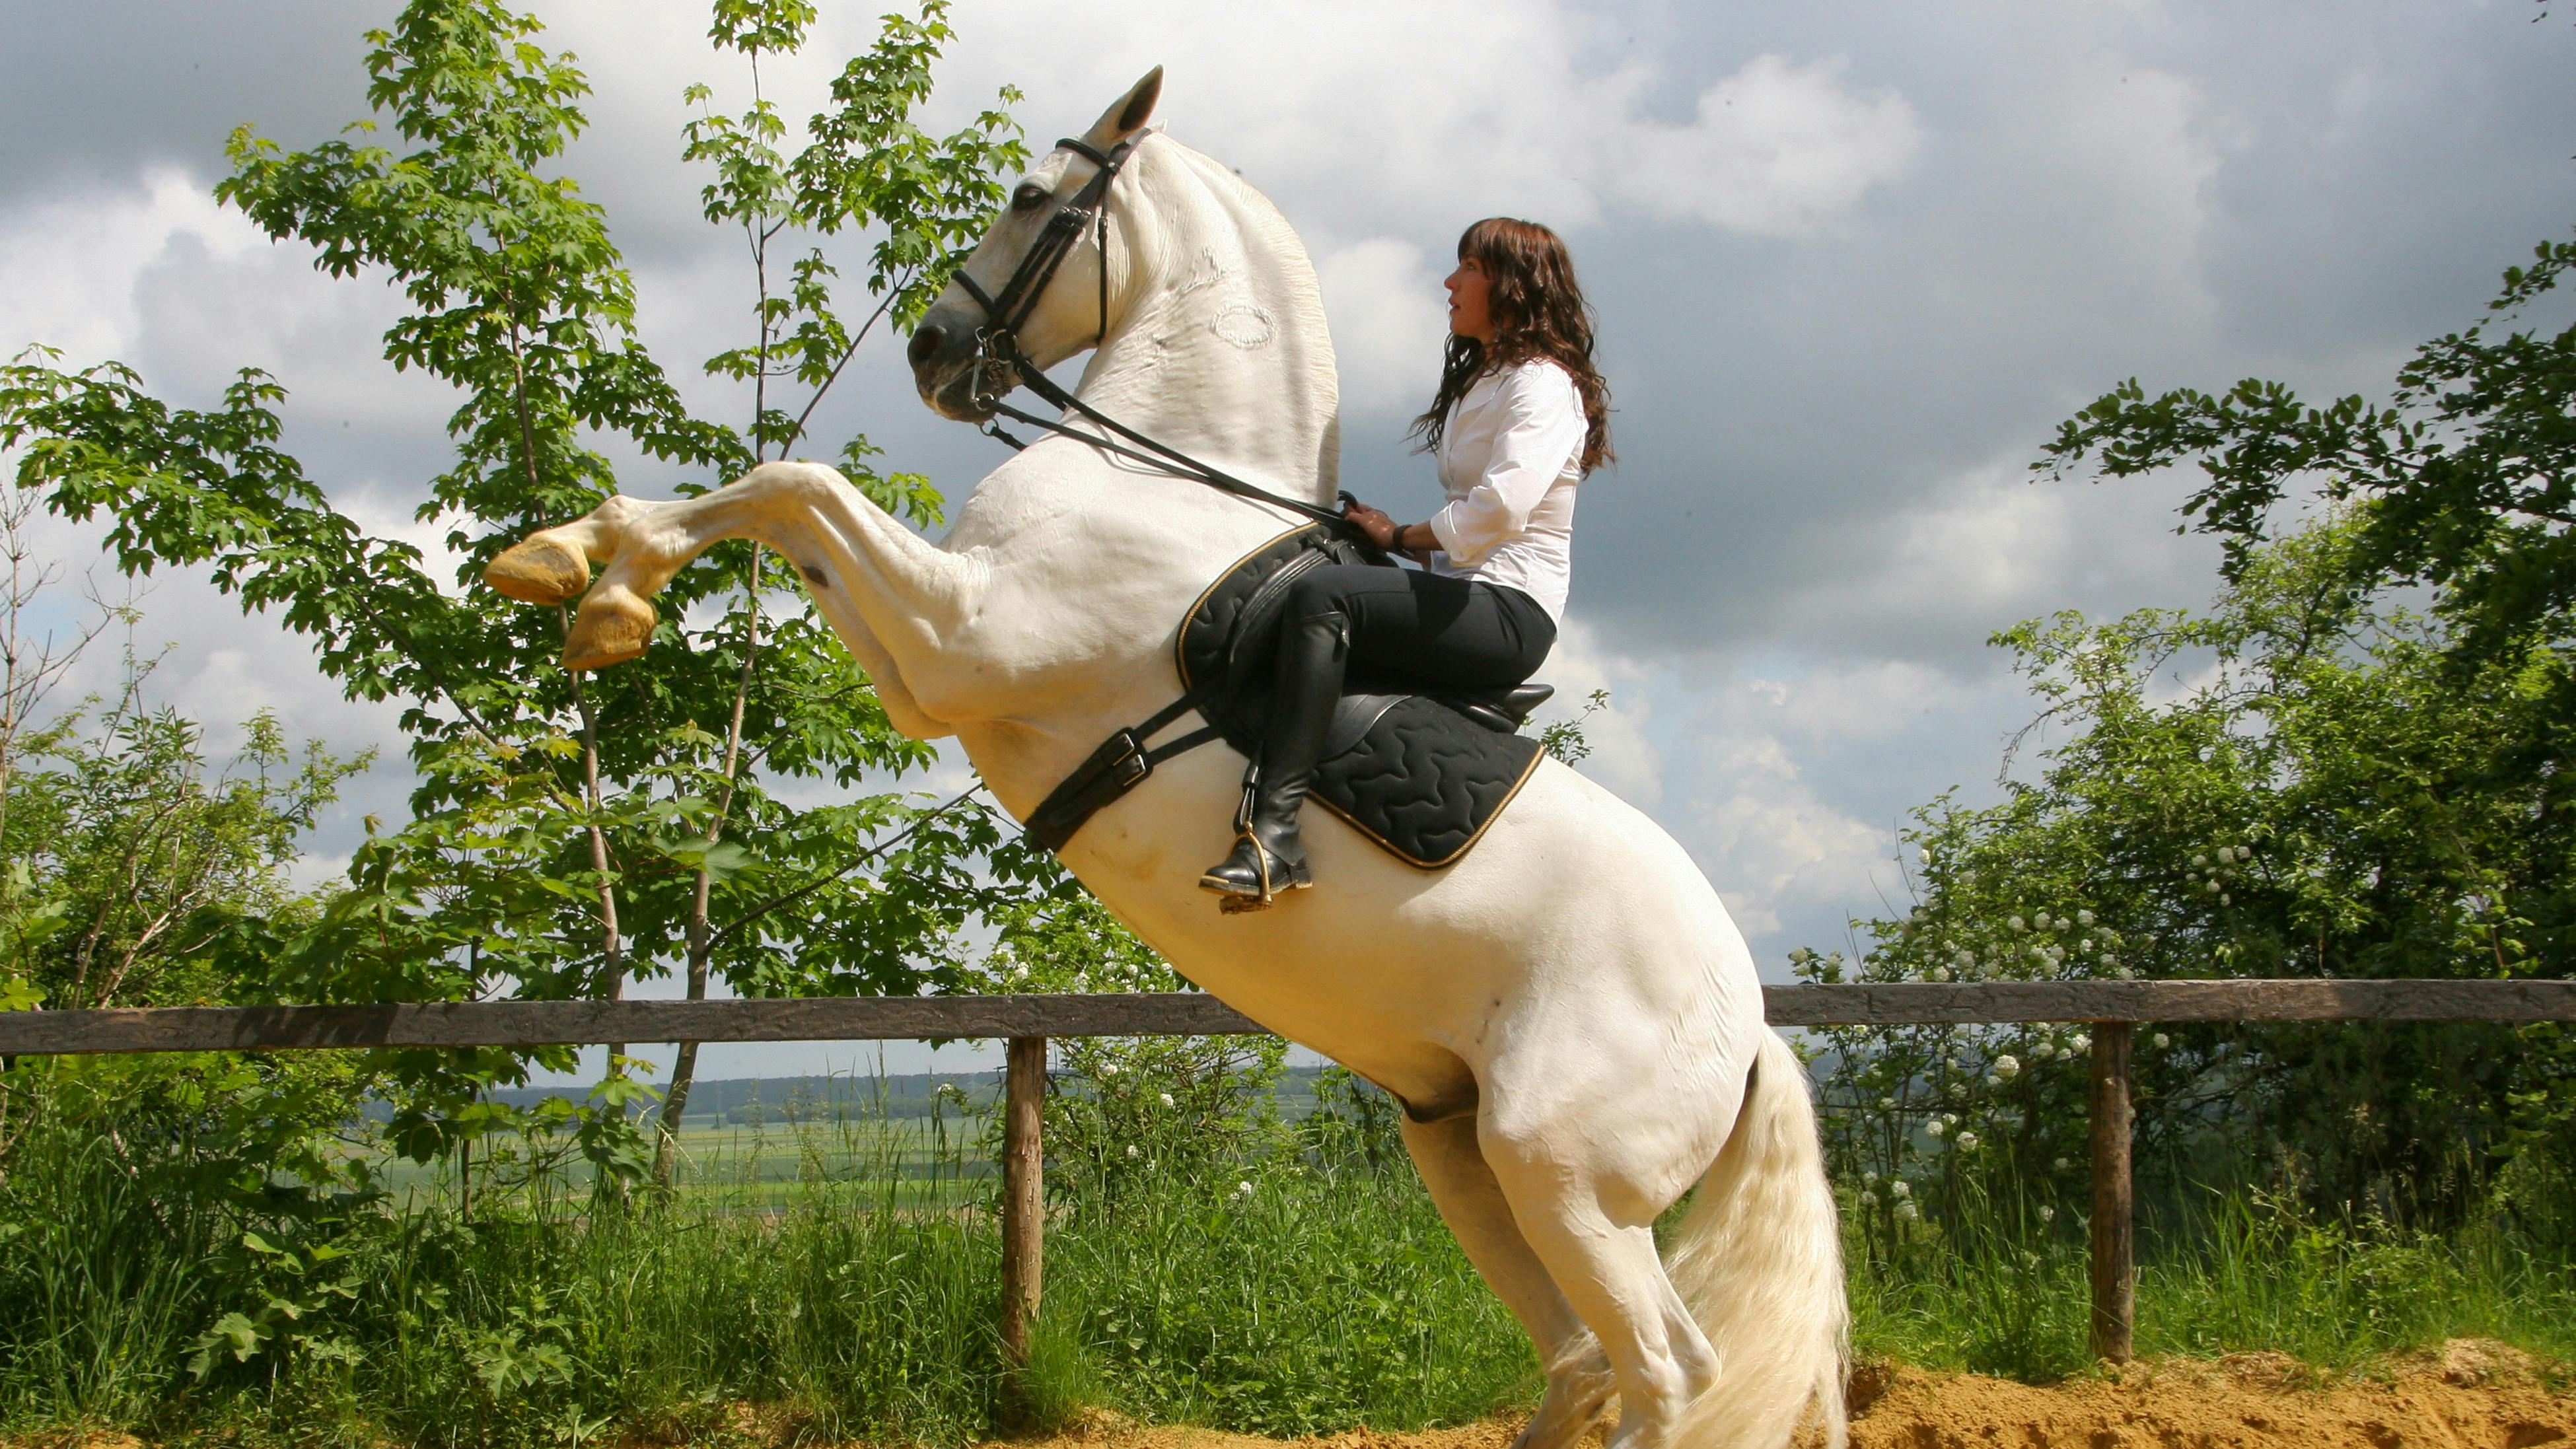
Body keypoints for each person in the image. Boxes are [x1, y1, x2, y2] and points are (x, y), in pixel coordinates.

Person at [1201, 216, 1614, 906]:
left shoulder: (1543, 384)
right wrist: (1380, 539)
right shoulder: (1489, 380)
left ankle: (1275, 836)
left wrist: (1398, 539)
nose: (1451, 283)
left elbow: (1500, 509)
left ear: (1512, 284)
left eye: (1469, 268)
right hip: (1465, 596)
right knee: (1327, 563)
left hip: (1509, 614)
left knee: (1326, 598)